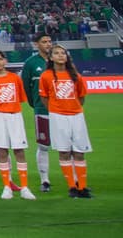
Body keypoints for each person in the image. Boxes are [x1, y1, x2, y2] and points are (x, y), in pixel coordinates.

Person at [0, 48, 36, 200]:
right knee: (2, 151)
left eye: (0, 59)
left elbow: (20, 98)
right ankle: (7, 186)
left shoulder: (15, 78)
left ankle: (24, 187)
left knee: (19, 150)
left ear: (5, 61)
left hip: (15, 115)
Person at [39, 44, 92, 198]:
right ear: (51, 57)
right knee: (64, 151)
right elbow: (44, 97)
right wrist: (56, 110)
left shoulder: (75, 75)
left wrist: (72, 107)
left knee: (79, 152)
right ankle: (72, 187)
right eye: (57, 53)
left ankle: (82, 187)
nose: (61, 55)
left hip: (76, 116)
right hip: (58, 117)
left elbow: (81, 97)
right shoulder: (46, 76)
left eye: (63, 53)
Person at [21, 33, 55, 191]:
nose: (48, 44)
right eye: (44, 41)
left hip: (63, 109)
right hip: (41, 109)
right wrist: (35, 103)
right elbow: (26, 86)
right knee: (43, 145)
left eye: (49, 41)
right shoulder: (31, 63)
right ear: (36, 44)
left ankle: (75, 181)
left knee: (68, 146)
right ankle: (45, 180)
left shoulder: (58, 60)